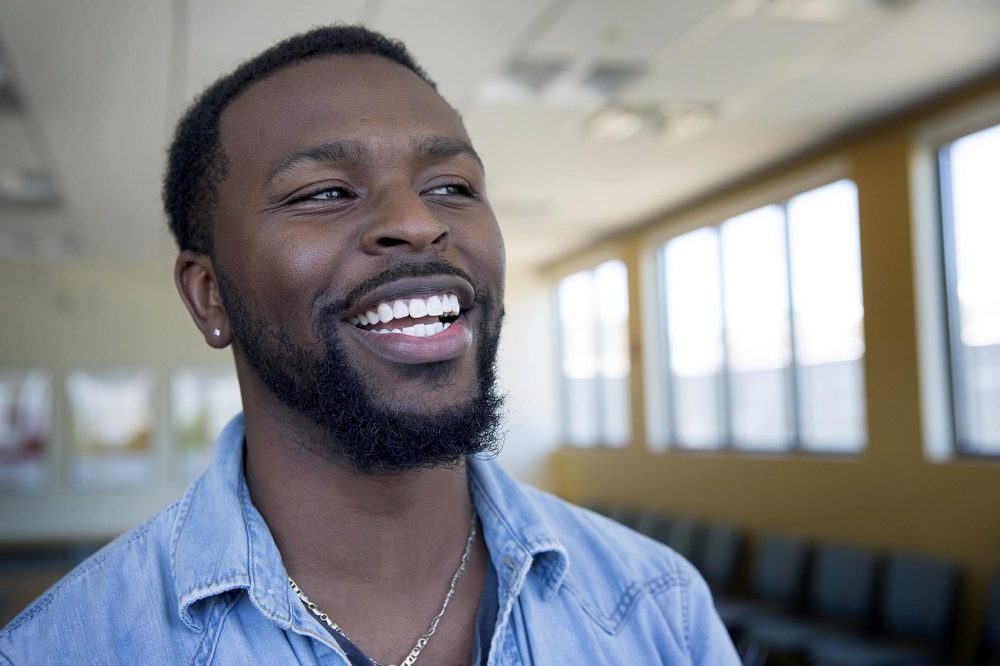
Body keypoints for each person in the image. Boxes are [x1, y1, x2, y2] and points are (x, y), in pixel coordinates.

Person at [0, 25, 738, 665]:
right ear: (209, 294)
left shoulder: (658, 609)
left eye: (451, 186)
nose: (418, 223)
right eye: (324, 192)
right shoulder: (66, 646)